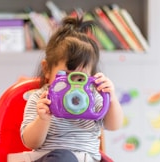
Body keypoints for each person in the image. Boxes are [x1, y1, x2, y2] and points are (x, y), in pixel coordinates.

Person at [20, 16, 124, 162]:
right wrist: (42, 119)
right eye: (67, 76)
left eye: (80, 78)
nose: (74, 85)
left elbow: (114, 125)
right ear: (47, 69)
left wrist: (111, 98)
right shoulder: (41, 98)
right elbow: (30, 142)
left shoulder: (92, 97)